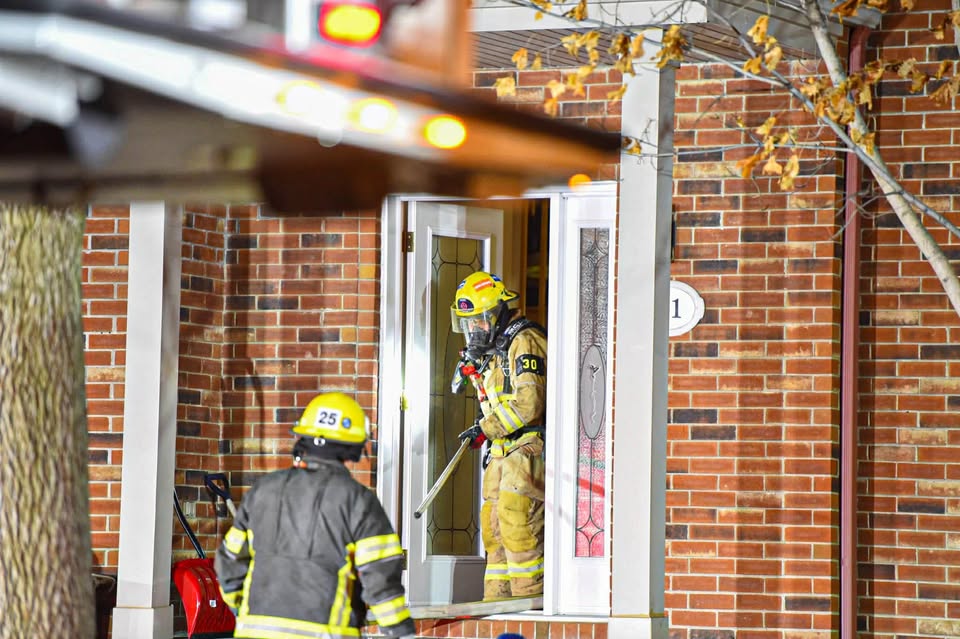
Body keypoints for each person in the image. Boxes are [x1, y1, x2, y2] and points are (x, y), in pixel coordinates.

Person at [215, 392, 416, 639]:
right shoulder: (358, 500)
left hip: (253, 631)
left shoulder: (262, 490)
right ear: (352, 447)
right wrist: (401, 631)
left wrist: (242, 607)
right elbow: (381, 578)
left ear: (304, 438)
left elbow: (229, 560)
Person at [449, 270, 547, 601]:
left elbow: (529, 403)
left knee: (516, 519)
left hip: (526, 446)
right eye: (468, 322)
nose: (474, 329)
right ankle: (496, 604)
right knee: (492, 526)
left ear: (498, 312)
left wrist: (485, 428)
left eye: (479, 320)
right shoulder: (495, 350)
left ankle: (528, 601)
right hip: (502, 450)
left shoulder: (524, 341)